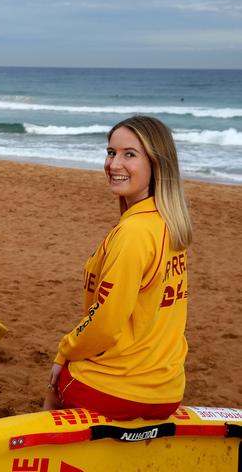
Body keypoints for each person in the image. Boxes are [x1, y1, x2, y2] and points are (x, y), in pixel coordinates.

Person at [44, 115, 192, 420]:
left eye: (130, 155)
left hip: (120, 389)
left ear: (156, 163)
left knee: (59, 377)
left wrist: (64, 351)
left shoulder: (134, 233)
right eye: (111, 152)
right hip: (167, 389)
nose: (114, 164)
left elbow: (105, 323)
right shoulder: (169, 223)